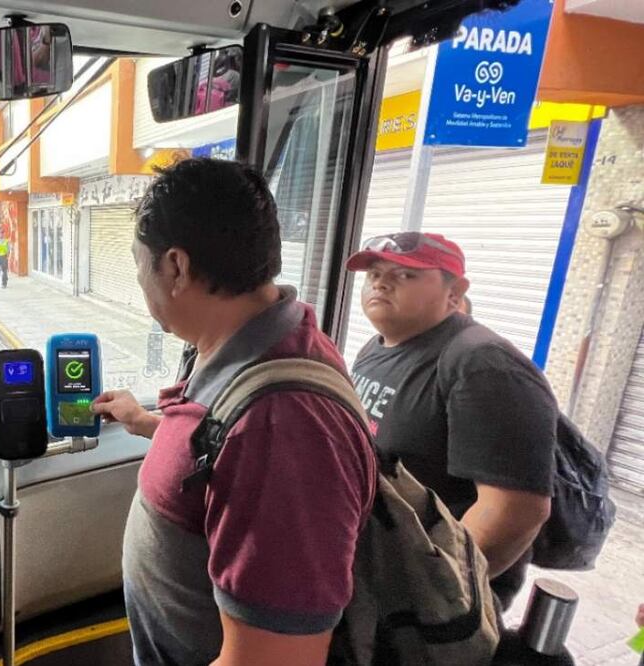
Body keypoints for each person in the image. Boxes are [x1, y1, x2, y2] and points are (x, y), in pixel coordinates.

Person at [91, 158, 376, 665]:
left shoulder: (286, 424)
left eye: (140, 267)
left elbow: (275, 660)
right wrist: (146, 425)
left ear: (176, 267)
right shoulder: (251, 349)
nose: (140, 285)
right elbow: (221, 460)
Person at [345, 231, 556, 611]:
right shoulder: (375, 349)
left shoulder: (483, 365)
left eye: (406, 274)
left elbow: (516, 510)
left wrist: (436, 593)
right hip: (375, 575)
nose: (381, 281)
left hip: (426, 605)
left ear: (455, 292)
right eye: (373, 273)